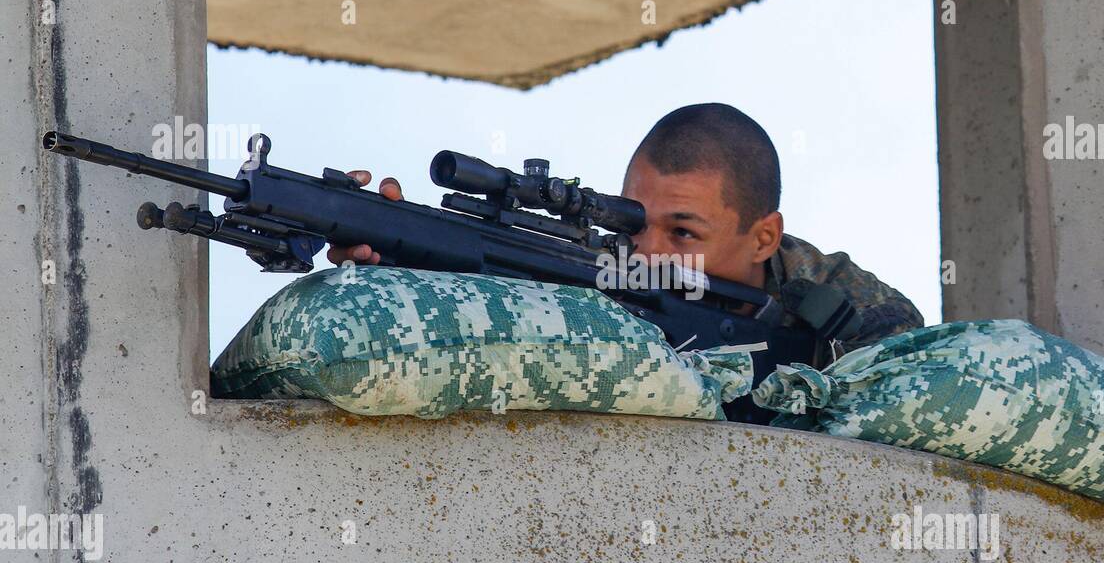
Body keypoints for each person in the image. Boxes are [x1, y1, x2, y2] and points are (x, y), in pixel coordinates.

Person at [329, 103, 923, 355]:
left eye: (684, 234)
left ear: (764, 238)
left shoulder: (843, 308)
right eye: (636, 222)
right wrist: (405, 254)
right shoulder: (596, 267)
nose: (649, 252)